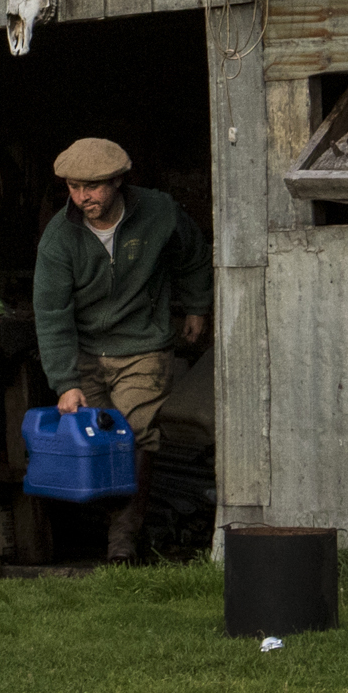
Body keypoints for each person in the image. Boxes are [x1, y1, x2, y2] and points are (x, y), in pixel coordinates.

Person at [33, 136, 209, 563]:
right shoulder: (59, 237)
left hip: (143, 345)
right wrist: (65, 382)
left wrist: (198, 306)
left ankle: (122, 546)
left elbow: (193, 256)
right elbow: (51, 313)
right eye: (74, 187)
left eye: (92, 187)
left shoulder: (160, 212)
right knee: (96, 442)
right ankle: (116, 527)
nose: (82, 197)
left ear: (118, 182)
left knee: (133, 435)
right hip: (87, 350)